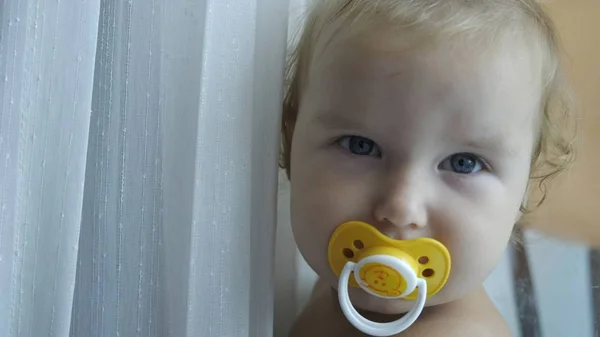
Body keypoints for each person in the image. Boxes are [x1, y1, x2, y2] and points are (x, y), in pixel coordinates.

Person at [280, 0, 575, 336]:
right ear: (289, 143)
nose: (401, 207)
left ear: (526, 185)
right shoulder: (335, 279)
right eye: (360, 145)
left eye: (463, 164)